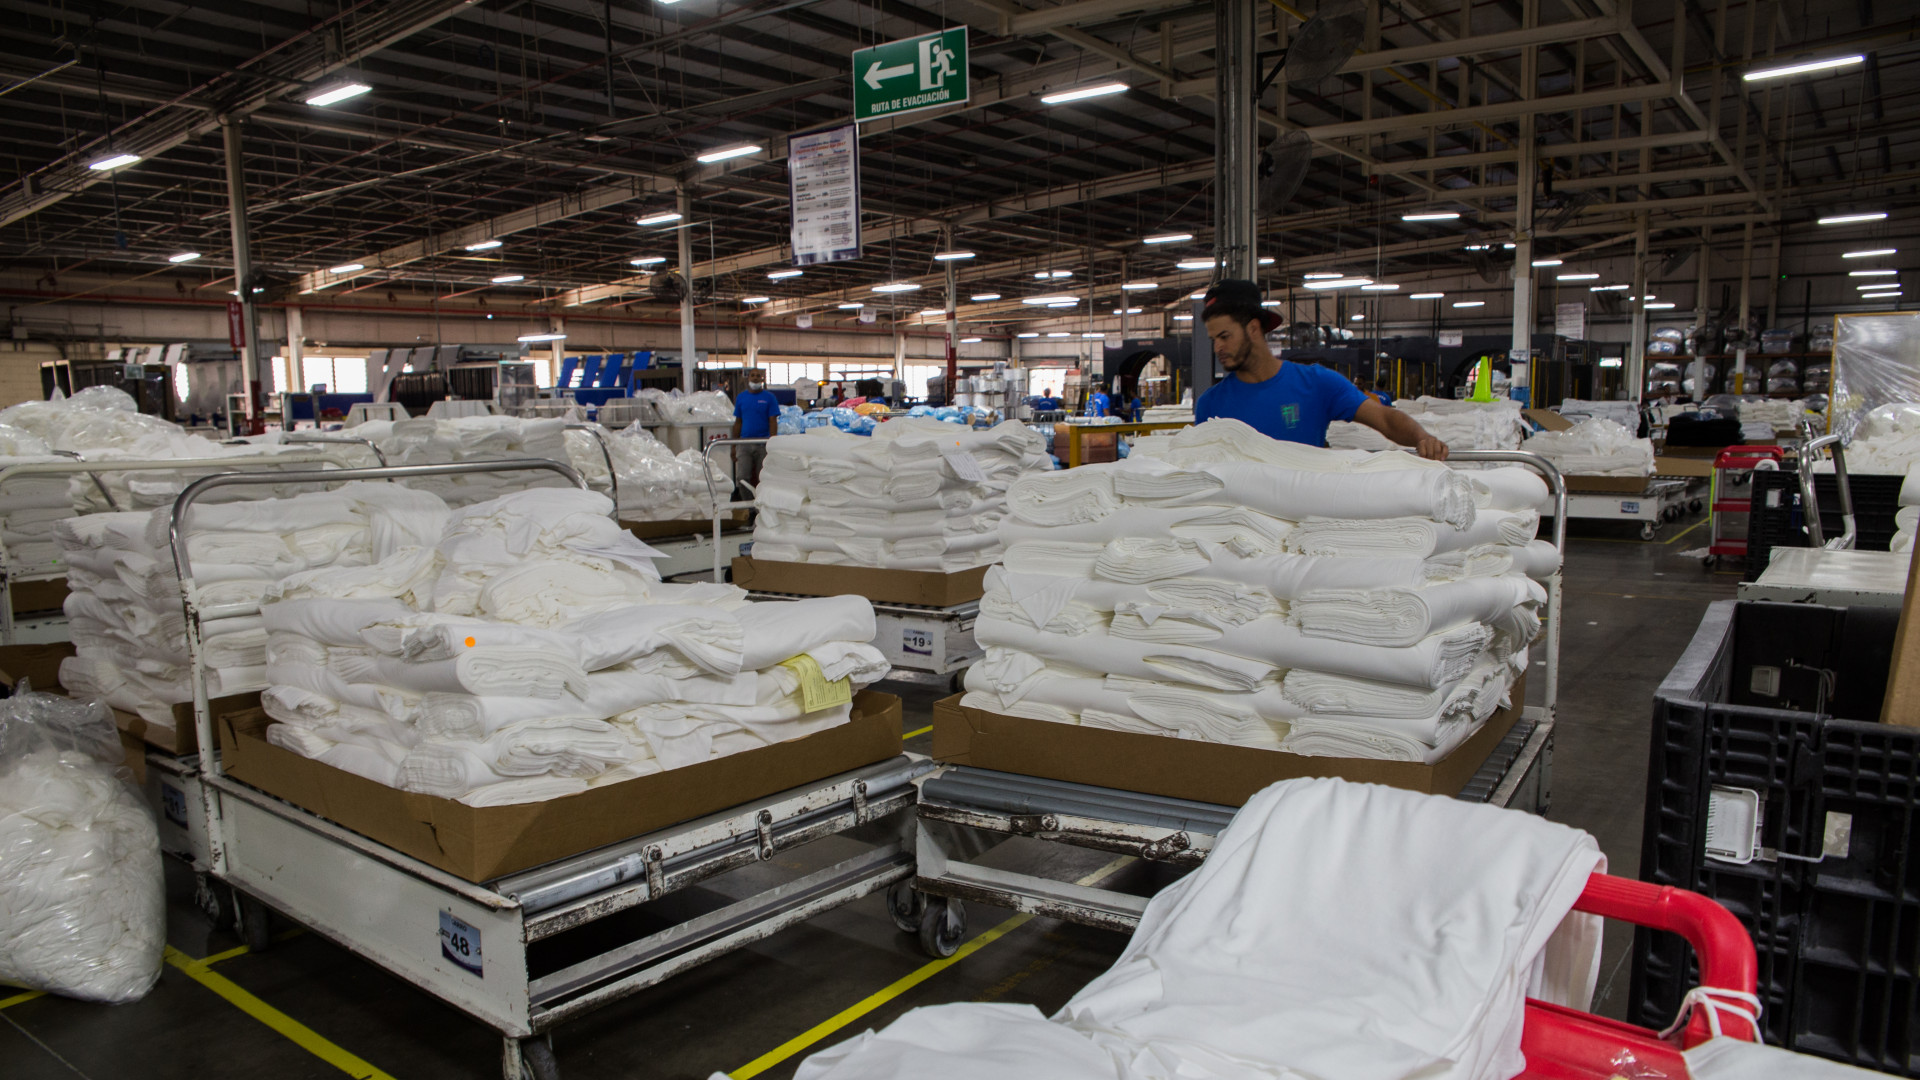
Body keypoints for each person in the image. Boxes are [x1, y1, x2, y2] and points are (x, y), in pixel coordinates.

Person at [1196, 280, 1448, 459]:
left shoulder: (1316, 384)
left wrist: (1421, 437)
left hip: (1303, 516)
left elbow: (1385, 419)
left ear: (1253, 329)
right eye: (1213, 339)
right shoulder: (1211, 404)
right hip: (1238, 519)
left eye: (1224, 336)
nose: (1218, 347)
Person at [731, 368, 779, 489]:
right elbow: (738, 422)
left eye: (758, 376)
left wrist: (772, 444)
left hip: (763, 444)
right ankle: (748, 501)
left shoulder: (769, 398)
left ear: (762, 379)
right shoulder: (741, 398)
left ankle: (761, 500)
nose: (755, 378)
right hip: (744, 444)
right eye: (753, 375)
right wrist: (733, 446)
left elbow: (773, 422)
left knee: (762, 477)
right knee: (742, 478)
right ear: (748, 378)